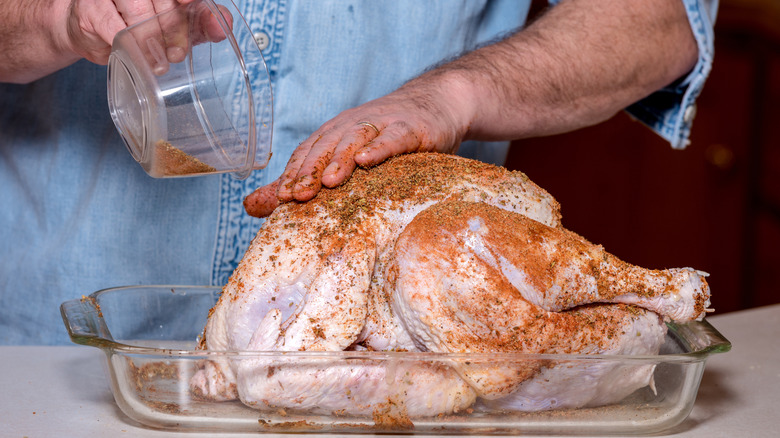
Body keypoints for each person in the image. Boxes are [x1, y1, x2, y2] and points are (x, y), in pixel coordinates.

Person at [0, 0, 717, 345]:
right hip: (58, 360)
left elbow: (664, 18)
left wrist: (456, 92)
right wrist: (53, 18)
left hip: (396, 367)